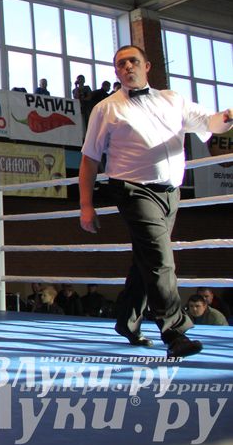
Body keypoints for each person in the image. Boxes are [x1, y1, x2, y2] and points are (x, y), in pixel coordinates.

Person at [79, 44, 233, 358]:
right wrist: (85, 205)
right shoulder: (106, 109)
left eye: (132, 61)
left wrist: (228, 116)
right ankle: (175, 333)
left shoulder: (172, 99)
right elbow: (89, 160)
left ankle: (127, 321)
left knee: (145, 261)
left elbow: (210, 123)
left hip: (170, 192)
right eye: (120, 64)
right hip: (133, 190)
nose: (126, 67)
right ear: (116, 71)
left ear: (147, 66)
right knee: (161, 259)